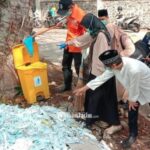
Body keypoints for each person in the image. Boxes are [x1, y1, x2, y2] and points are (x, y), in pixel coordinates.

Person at [58, 13, 123, 134]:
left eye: (87, 26)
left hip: (102, 73)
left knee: (95, 98)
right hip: (98, 72)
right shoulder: (96, 32)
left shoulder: (102, 35)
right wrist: (67, 43)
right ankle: (97, 118)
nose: (87, 28)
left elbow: (103, 58)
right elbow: (83, 38)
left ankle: (92, 122)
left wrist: (99, 75)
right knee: (101, 99)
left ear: (92, 24)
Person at [73, 49, 150, 148]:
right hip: (135, 89)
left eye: (108, 66)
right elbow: (101, 78)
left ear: (113, 65)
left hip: (146, 87)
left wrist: (132, 100)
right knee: (132, 111)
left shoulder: (133, 69)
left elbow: (134, 87)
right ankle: (132, 135)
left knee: (132, 105)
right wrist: (84, 88)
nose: (108, 68)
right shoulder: (115, 66)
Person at [98, 9, 136, 102]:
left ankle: (122, 103)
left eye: (102, 19)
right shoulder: (102, 32)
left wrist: (118, 56)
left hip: (119, 64)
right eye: (99, 20)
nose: (101, 21)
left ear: (107, 18)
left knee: (120, 88)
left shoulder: (121, 34)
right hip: (109, 66)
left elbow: (131, 49)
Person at [57, 0, 86, 92]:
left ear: (71, 6)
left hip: (77, 46)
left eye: (66, 10)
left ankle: (83, 88)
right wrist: (63, 22)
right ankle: (67, 85)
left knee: (79, 68)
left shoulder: (80, 15)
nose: (65, 13)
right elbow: (70, 20)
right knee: (65, 65)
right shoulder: (71, 13)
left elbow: (88, 33)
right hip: (68, 44)